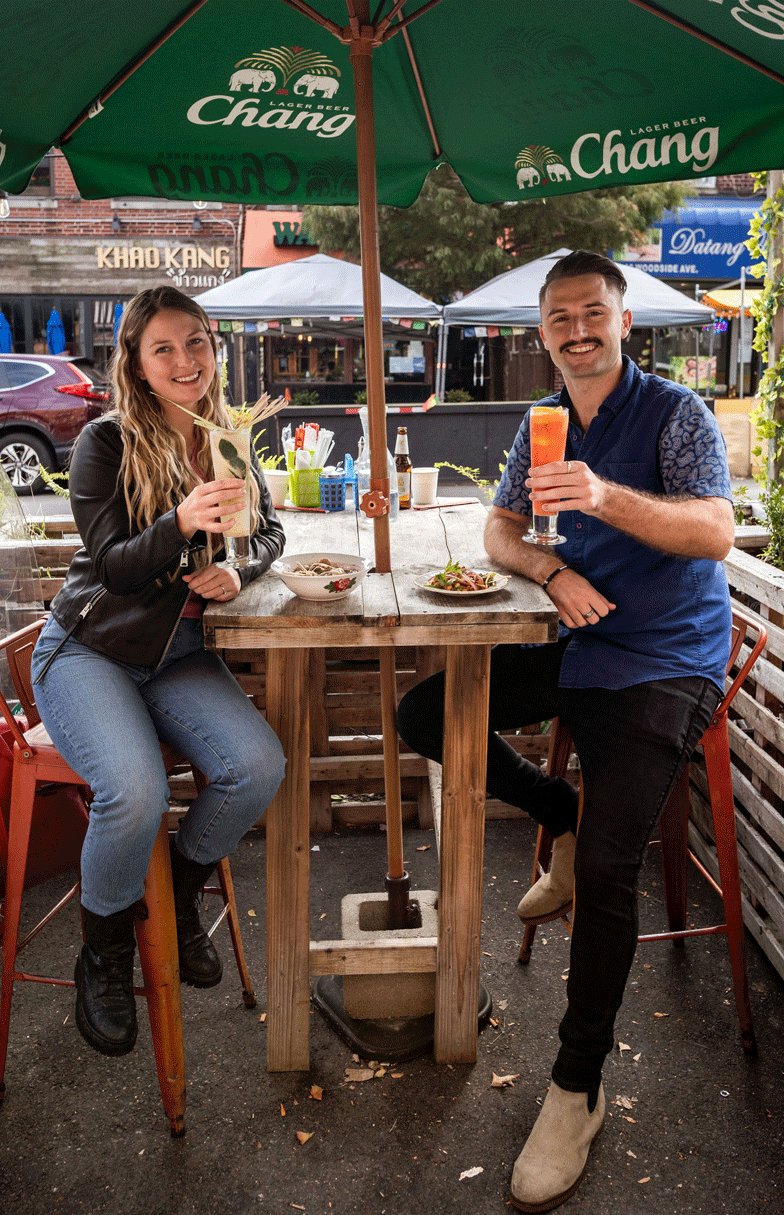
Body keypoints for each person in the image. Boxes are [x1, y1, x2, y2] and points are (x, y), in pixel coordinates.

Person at [397, 250, 734, 1212]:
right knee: (426, 710)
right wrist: (552, 574)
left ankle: (575, 1086)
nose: (577, 330)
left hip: (662, 660)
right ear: (541, 332)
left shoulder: (678, 415)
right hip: (578, 636)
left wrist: (602, 497)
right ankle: (563, 806)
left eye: (593, 313)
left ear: (624, 322)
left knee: (602, 877)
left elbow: (714, 529)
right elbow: (502, 530)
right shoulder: (543, 423)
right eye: (559, 318)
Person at [31, 286, 286, 1059]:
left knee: (256, 766)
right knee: (135, 791)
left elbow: (269, 531)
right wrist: (181, 522)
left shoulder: (227, 439)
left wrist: (239, 569)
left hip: (175, 656)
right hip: (91, 650)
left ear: (216, 349)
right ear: (137, 364)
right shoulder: (104, 443)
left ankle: (174, 894)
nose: (186, 361)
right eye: (165, 348)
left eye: (197, 343)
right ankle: (103, 954)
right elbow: (112, 569)